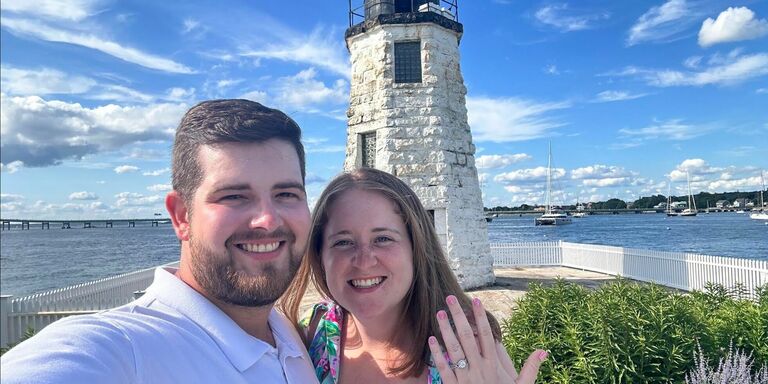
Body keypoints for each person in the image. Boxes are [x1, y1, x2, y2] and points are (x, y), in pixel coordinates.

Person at [1, 99, 319, 383]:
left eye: (286, 194)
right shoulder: (127, 350)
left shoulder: (287, 336)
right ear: (181, 216)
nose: (267, 220)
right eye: (234, 196)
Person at [281, 167, 547, 383]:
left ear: (416, 248)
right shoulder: (310, 334)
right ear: (319, 255)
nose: (364, 260)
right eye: (343, 242)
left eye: (383, 238)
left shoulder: (470, 346)